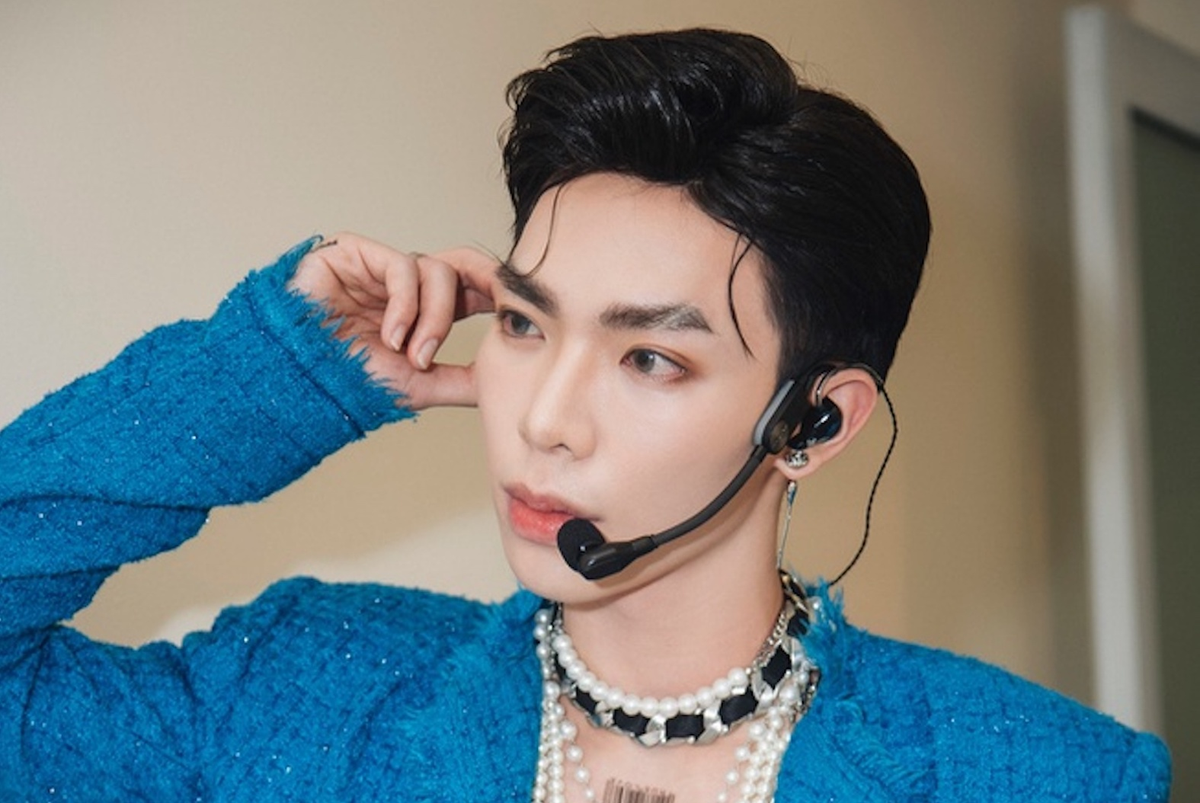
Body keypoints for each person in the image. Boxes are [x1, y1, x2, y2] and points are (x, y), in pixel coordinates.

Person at [0, 28, 1169, 803]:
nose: (545, 418)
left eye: (649, 356)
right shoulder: (299, 688)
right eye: (523, 321)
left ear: (814, 423)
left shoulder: (1047, 774)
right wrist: (267, 373)